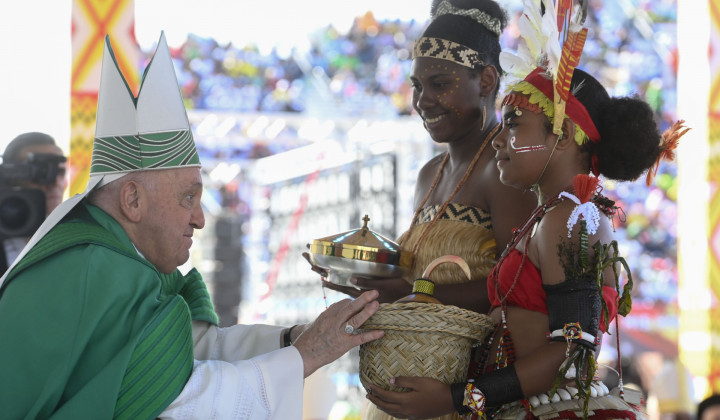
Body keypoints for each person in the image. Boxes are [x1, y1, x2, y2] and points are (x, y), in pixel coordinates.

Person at [0, 32, 383, 419]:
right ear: (132, 199)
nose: (200, 218)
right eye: (188, 197)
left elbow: (183, 355)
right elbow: (179, 400)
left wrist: (289, 340)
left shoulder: (109, 262)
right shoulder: (96, 271)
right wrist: (308, 354)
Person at [364, 0, 689, 418]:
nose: (500, 139)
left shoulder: (570, 219)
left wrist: (456, 397)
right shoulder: (553, 215)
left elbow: (572, 351)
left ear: (565, 134)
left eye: (514, 124)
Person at [314, 0, 535, 313]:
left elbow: (520, 284)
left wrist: (413, 293)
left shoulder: (505, 168)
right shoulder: (429, 174)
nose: (422, 101)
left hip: (486, 361)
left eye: (440, 85)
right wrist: (361, 281)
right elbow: (416, 281)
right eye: (417, 86)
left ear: (486, 80)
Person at [0, 132, 67, 272]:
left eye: (60, 172)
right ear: (10, 177)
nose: (53, 183)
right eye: (42, 172)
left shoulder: (76, 237)